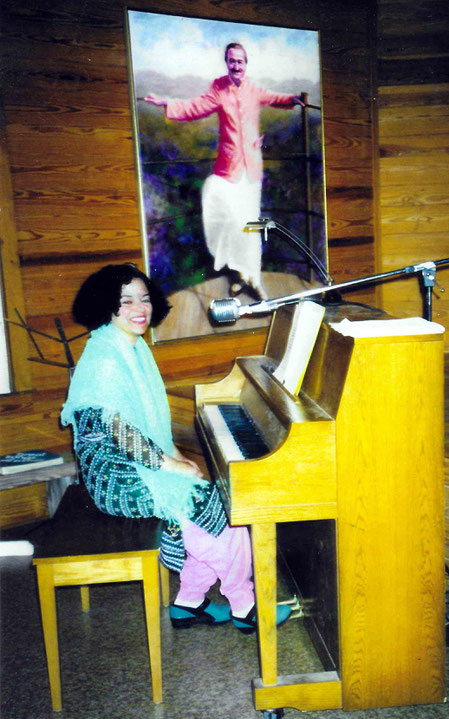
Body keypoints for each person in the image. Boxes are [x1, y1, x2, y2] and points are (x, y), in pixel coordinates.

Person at [61, 263, 291, 633]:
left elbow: (147, 423)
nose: (140, 308)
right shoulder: (105, 357)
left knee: (215, 499)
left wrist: (175, 456)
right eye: (126, 301)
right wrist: (169, 464)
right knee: (202, 503)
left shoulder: (131, 346)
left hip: (134, 461)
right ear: (107, 305)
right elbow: (119, 432)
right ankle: (245, 604)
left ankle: (189, 602)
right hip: (114, 476)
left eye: (145, 299)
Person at [145, 42, 303, 299]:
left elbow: (274, 98)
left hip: (251, 170)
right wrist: (167, 103)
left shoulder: (253, 88)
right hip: (228, 169)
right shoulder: (218, 89)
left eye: (240, 61)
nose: (236, 66)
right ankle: (240, 273)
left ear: (246, 64)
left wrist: (292, 100)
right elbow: (195, 106)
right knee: (229, 220)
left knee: (250, 225)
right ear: (227, 63)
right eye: (232, 61)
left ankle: (255, 278)